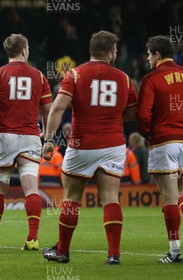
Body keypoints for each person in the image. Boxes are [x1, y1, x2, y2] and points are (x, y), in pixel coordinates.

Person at [41, 31, 137, 265]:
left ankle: (62, 251)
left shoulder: (74, 74)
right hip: (113, 145)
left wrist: (49, 140)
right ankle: (113, 254)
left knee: (72, 198)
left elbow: (57, 108)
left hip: (82, 144)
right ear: (109, 53)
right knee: (110, 198)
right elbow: (133, 114)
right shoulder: (124, 78)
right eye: (114, 50)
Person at [0, 34, 52, 251]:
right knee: (31, 188)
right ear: (24, 50)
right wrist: (48, 137)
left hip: (4, 136)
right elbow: (48, 110)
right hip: (30, 137)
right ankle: (33, 238)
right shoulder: (39, 76)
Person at [136, 35, 183, 264]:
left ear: (157, 54)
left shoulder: (151, 78)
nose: (147, 59)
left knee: (168, 197)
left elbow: (142, 115)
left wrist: (149, 132)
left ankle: (175, 251)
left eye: (149, 55)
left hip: (163, 141)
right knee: (182, 192)